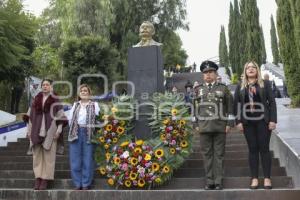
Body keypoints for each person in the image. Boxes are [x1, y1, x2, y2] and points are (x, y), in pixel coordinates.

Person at [234, 61, 277, 190]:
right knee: (252, 149)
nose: (251, 69)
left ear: (257, 70)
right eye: (248, 68)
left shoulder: (265, 84)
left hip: (263, 121)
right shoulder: (240, 86)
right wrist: (238, 121)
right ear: (245, 71)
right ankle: (254, 178)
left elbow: (272, 103)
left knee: (264, 149)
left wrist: (273, 120)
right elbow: (236, 105)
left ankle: (267, 178)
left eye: (253, 67)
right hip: (248, 123)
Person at [194, 60, 234, 190]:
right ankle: (209, 181)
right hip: (204, 127)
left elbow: (231, 107)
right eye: (205, 72)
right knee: (207, 155)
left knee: (219, 154)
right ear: (203, 75)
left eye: (211, 72)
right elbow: (194, 108)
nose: (208, 74)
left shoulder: (223, 88)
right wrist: (195, 124)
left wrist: (229, 123)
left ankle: (218, 181)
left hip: (219, 126)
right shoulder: (198, 89)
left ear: (216, 74)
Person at [23, 79, 67, 190]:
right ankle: (38, 178)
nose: (45, 86)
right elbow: (29, 116)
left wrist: (59, 130)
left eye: (47, 85)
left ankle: (45, 180)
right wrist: (28, 130)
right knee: (37, 156)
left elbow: (60, 116)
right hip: (36, 130)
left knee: (49, 156)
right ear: (41, 86)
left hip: (51, 130)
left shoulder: (55, 99)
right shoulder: (36, 99)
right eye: (43, 85)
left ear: (51, 87)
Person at [68, 84, 100, 190]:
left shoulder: (95, 105)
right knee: (75, 159)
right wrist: (75, 130)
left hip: (89, 133)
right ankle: (78, 183)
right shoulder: (75, 105)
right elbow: (70, 120)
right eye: (81, 91)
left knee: (88, 159)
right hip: (76, 133)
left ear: (89, 93)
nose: (83, 92)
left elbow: (99, 120)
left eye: (85, 90)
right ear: (79, 93)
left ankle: (86, 183)